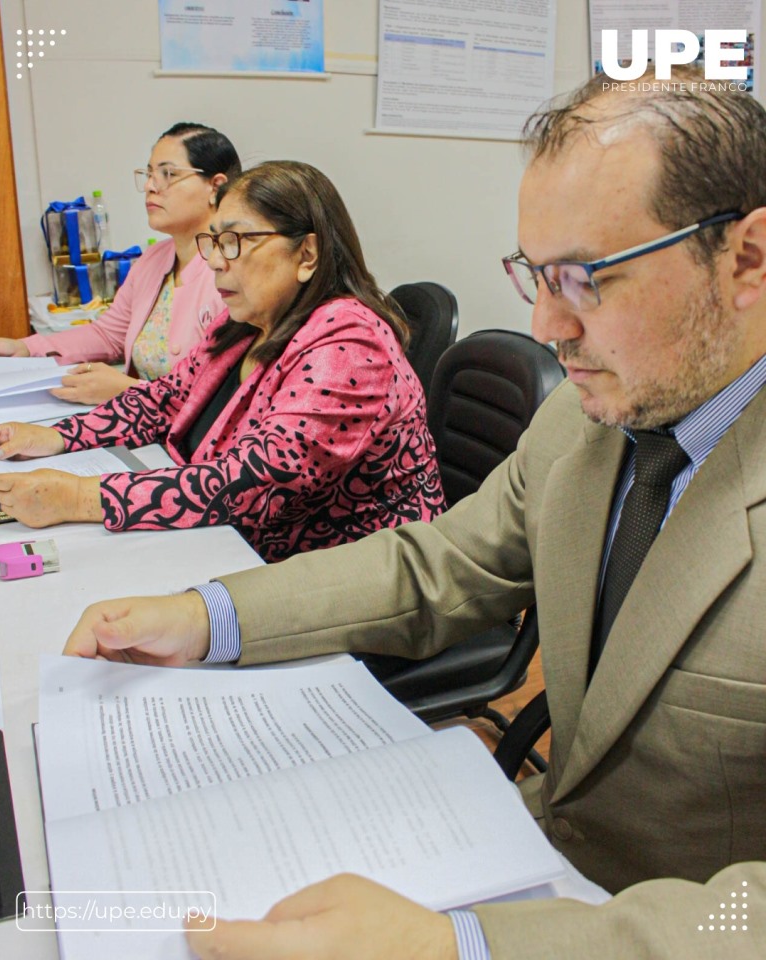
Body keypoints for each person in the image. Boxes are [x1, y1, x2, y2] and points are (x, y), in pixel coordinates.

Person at [63, 74, 766, 957]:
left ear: (747, 257)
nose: (549, 326)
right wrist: (209, 614)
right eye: (535, 274)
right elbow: (437, 565)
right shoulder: (586, 423)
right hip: (535, 856)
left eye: (587, 278)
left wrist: (461, 948)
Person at [0, 161, 445, 562]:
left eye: (234, 241)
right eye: (213, 241)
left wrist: (77, 496)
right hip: (233, 548)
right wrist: (51, 437)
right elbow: (162, 401)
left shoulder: (350, 345)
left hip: (353, 579)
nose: (213, 261)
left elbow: (252, 484)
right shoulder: (249, 321)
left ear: (306, 254)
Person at [0, 122, 241, 405]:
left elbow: (224, 395)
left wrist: (128, 390)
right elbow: (108, 335)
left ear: (216, 186)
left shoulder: (233, 270)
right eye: (149, 174)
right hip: (140, 424)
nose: (150, 187)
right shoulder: (155, 259)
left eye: (168, 174)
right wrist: (25, 349)